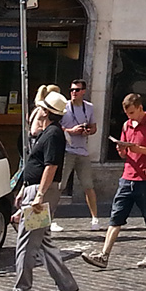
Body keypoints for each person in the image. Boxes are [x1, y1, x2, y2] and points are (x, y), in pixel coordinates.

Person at [0, 88, 78, 291]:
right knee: (43, 241)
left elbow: (50, 166)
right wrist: (26, 187)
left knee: (26, 243)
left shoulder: (53, 134)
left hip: (40, 194)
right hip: (34, 190)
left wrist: (39, 195)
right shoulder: (48, 132)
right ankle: (66, 284)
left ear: (46, 111)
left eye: (41, 107)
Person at [83, 92, 146, 270]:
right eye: (127, 113)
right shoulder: (126, 125)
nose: (129, 116)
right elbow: (126, 152)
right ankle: (104, 255)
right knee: (116, 216)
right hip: (127, 177)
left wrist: (138, 148)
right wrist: (122, 150)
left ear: (140, 108)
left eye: (132, 113)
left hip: (145, 178)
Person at [60, 79, 102, 229]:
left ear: (83, 91)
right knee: (60, 185)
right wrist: (71, 131)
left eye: (77, 90)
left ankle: (95, 218)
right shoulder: (64, 106)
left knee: (88, 185)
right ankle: (50, 218)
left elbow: (94, 127)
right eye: (71, 90)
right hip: (67, 150)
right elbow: (55, 128)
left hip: (82, 151)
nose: (73, 93)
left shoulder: (89, 107)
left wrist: (88, 131)